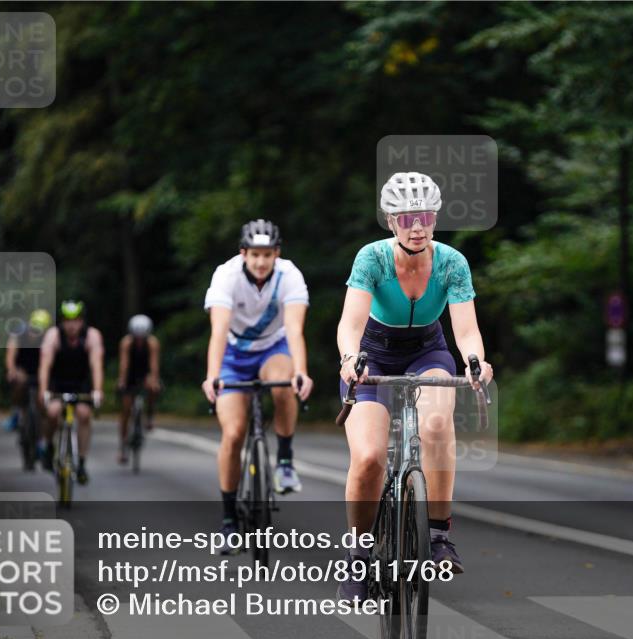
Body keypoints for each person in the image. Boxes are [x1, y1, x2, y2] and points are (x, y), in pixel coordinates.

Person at [335, 172, 493, 601]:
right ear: (391, 221)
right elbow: (350, 323)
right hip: (374, 357)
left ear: (436, 217)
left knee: (438, 423)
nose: (417, 226)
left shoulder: (451, 262)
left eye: (424, 216)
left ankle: (439, 533)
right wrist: (350, 361)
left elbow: (466, 330)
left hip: (429, 352)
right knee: (368, 458)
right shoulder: (372, 259)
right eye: (407, 218)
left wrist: (475, 362)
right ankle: (359, 554)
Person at [201, 220, 313, 550]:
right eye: (255, 255)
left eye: (267, 255)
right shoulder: (226, 276)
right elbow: (218, 331)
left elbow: (294, 329)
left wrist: (301, 372)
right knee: (234, 433)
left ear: (276, 254)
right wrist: (212, 375)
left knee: (283, 384)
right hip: (233, 355)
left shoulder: (289, 275)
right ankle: (228, 521)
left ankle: (285, 462)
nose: (261, 262)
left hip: (272, 348)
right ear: (243, 254)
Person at [38, 300, 105, 484]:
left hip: (81, 384)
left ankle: (82, 463)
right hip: (58, 384)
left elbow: (96, 365)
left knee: (84, 415)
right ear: (62, 321)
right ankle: (49, 446)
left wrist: (98, 390)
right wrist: (43, 390)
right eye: (68, 320)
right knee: (52, 413)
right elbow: (45, 365)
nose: (72, 325)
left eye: (76, 320)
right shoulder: (53, 335)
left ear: (82, 321)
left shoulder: (92, 336)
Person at [4, 308, 51, 465]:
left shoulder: (49, 339)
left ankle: (42, 440)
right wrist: (12, 370)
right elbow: (11, 354)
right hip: (22, 368)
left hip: (40, 369)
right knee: (18, 385)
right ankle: (17, 412)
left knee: (42, 403)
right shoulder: (19, 334)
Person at [116, 314, 161, 464]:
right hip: (130, 374)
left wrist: (153, 379)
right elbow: (124, 363)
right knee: (126, 409)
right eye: (137, 336)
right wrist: (122, 380)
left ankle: (149, 415)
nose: (140, 339)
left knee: (153, 388)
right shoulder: (127, 343)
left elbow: (154, 364)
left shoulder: (152, 343)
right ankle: (123, 446)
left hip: (145, 373)